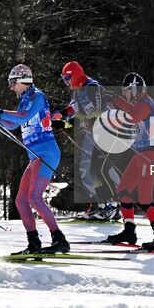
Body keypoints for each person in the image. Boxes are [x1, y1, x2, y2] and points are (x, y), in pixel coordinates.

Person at [0, 63, 69, 255]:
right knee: (21, 201)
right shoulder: (25, 100)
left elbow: (19, 118)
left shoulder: (37, 97)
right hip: (35, 156)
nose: (10, 87)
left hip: (46, 153)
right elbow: (11, 125)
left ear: (22, 81)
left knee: (34, 197)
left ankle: (60, 240)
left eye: (12, 83)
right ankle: (33, 242)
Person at [103, 73, 154, 252]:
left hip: (150, 154)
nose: (124, 94)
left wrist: (112, 110)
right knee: (123, 189)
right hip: (142, 153)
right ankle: (129, 232)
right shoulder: (140, 103)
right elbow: (130, 110)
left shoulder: (146, 103)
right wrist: (115, 100)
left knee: (145, 198)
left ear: (133, 89)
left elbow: (130, 118)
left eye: (125, 91)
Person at [54, 60, 113, 219]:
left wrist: (66, 123)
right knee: (84, 169)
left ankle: (111, 205)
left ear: (74, 76)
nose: (65, 83)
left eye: (67, 79)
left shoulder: (92, 87)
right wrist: (60, 117)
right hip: (90, 133)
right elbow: (73, 110)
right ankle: (97, 204)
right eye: (64, 79)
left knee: (98, 168)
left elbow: (98, 112)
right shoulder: (77, 90)